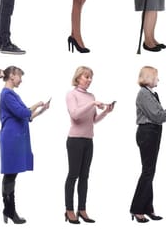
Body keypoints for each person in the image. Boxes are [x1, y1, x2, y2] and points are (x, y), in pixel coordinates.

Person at [129, 66, 166, 222]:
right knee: (148, 171)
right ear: (149, 77)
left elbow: (161, 116)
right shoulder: (143, 93)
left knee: (150, 171)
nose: (158, 79)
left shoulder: (151, 94)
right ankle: (137, 209)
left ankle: (147, 208)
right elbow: (158, 115)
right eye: (156, 77)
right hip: (148, 133)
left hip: (153, 132)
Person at [0, 66, 49, 224]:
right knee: (10, 173)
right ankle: (10, 210)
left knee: (12, 174)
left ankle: (9, 210)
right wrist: (37, 104)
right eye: (19, 76)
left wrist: (41, 110)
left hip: (16, 137)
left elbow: (26, 116)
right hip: (11, 138)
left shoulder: (12, 94)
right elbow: (23, 112)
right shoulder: (6, 94)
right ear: (12, 76)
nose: (21, 79)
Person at [64, 66, 113, 224]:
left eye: (91, 77)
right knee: (73, 176)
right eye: (86, 77)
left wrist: (106, 112)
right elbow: (75, 115)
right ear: (78, 78)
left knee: (85, 176)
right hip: (75, 140)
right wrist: (92, 103)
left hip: (88, 140)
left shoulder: (91, 96)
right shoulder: (71, 95)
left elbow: (92, 121)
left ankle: (82, 209)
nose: (89, 80)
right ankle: (69, 210)